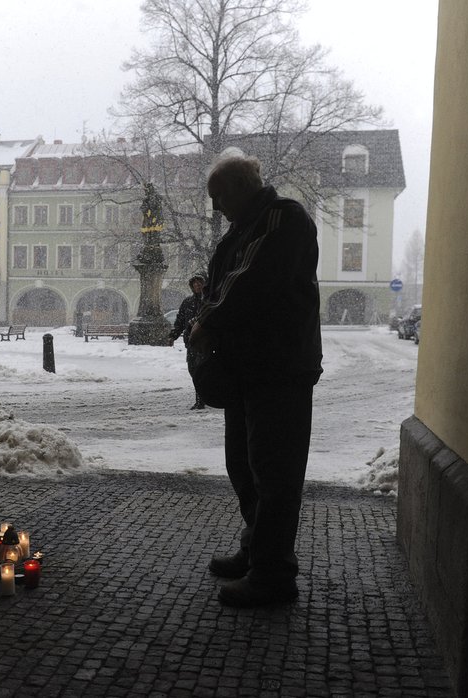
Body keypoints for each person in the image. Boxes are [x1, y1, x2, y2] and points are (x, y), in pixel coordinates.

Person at [189, 151, 322, 607]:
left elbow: (250, 282)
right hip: (247, 368)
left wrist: (208, 322)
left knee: (275, 473)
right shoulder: (241, 230)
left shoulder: (284, 219)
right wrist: (208, 315)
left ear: (244, 185)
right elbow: (218, 284)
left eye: (220, 195)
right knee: (244, 465)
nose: (216, 206)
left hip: (280, 368)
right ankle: (255, 549)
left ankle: (273, 574)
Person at [168, 273, 207, 409]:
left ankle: (202, 399)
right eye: (194, 284)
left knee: (202, 371)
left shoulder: (209, 301)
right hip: (191, 342)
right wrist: (173, 335)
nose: (197, 286)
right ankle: (201, 398)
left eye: (199, 283)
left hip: (205, 343)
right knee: (193, 370)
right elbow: (180, 321)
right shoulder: (188, 302)